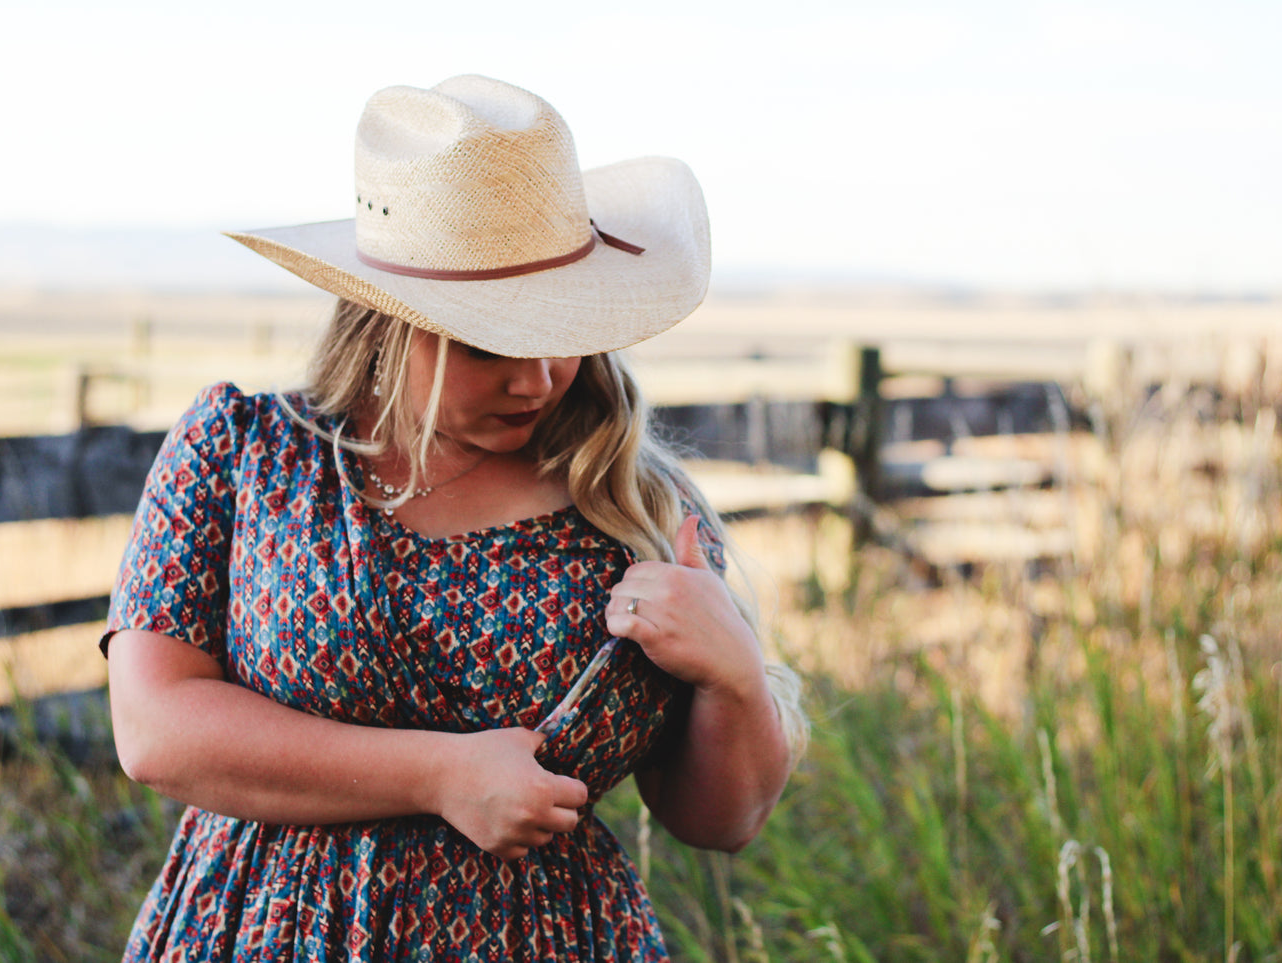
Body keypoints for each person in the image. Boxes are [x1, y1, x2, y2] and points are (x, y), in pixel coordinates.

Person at [102, 74, 805, 961]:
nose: (539, 377)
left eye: (563, 327)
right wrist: (441, 774)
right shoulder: (242, 453)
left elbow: (721, 820)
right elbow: (156, 730)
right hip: (265, 931)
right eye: (489, 343)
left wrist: (732, 672)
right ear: (388, 322)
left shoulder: (632, 502)